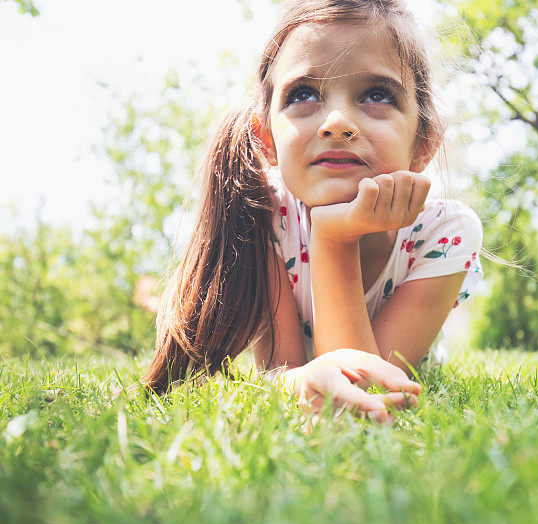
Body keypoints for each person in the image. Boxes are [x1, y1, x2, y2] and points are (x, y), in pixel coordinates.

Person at [137, 0, 483, 422]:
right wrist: (298, 382)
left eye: (377, 94)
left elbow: (368, 395)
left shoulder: (445, 233)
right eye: (303, 94)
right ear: (266, 139)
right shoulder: (267, 216)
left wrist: (335, 236)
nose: (336, 123)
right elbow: (282, 373)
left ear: (423, 142)